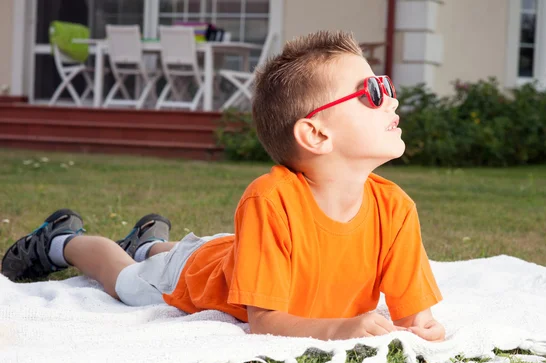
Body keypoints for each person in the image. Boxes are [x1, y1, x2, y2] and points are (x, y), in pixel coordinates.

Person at [1, 31, 445, 342]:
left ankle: (149, 242)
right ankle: (64, 240)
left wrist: (422, 328)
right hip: (198, 273)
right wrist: (338, 329)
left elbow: (414, 316)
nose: (392, 98)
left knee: (189, 252)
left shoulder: (396, 209)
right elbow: (266, 322)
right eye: (371, 91)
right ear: (316, 134)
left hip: (235, 254)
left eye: (384, 85)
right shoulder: (269, 201)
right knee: (125, 280)